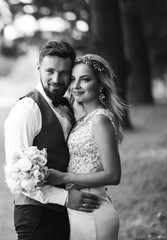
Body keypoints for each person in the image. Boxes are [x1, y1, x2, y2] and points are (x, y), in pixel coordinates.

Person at [4, 41, 100, 240]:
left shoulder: (66, 107)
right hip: (37, 217)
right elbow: (17, 175)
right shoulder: (27, 110)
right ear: (39, 68)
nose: (56, 79)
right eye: (50, 71)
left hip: (64, 214)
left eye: (64, 73)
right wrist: (65, 198)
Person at [46, 53, 127, 240]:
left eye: (85, 80)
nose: (76, 86)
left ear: (100, 84)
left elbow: (113, 175)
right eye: (73, 79)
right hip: (81, 207)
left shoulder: (99, 120)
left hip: (93, 208)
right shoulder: (83, 120)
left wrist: (64, 177)